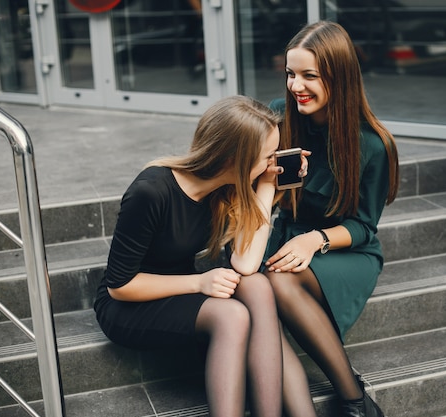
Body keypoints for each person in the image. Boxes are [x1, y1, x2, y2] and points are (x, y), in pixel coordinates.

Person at [94, 95, 305, 417]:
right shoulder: (151, 192)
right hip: (129, 304)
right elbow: (119, 285)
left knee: (257, 284)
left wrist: (265, 185)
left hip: (180, 288)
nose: (272, 163)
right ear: (235, 157)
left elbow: (246, 264)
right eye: (266, 157)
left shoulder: (225, 189)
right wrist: (198, 281)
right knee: (232, 316)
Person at [264, 21, 400, 417]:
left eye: (310, 76)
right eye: (291, 74)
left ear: (339, 77)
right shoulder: (278, 118)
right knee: (269, 289)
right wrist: (269, 182)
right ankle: (351, 402)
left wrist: (313, 241)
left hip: (343, 250)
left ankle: (353, 400)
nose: (296, 86)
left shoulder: (373, 144)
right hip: (283, 236)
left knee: (279, 281)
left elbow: (362, 227)